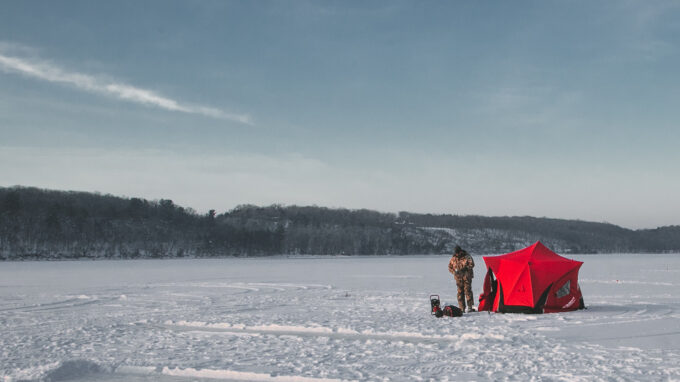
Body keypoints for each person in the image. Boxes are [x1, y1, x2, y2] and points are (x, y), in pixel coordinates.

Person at [448, 245, 475, 312]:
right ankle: (462, 308)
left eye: (458, 252)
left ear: (460, 251)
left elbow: (472, 264)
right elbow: (449, 267)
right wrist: (454, 272)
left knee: (468, 291)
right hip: (458, 278)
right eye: (456, 252)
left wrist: (465, 269)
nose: (457, 254)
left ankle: (470, 307)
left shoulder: (467, 256)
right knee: (460, 293)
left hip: (467, 277)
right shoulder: (453, 258)